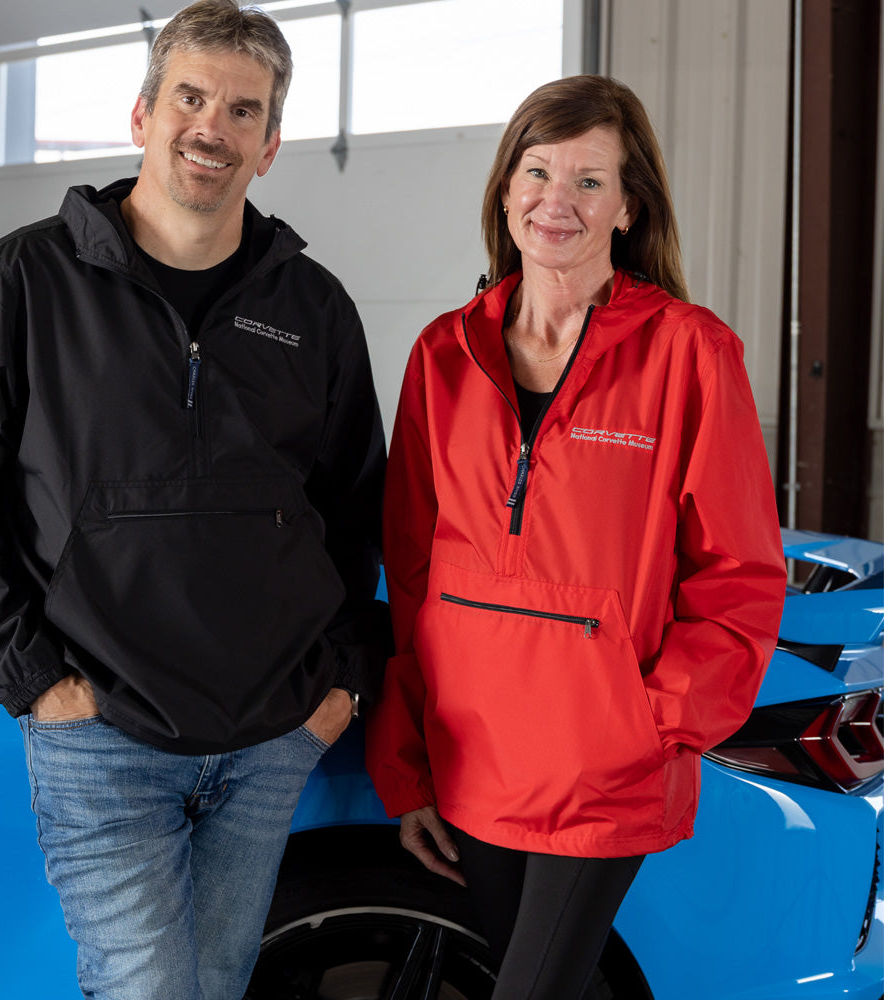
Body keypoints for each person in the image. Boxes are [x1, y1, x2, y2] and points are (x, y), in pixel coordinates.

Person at [0, 3, 389, 998]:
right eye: (191, 97)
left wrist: (339, 678)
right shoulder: (28, 279)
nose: (211, 127)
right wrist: (36, 677)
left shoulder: (315, 308)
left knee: (215, 982)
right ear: (142, 115)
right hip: (102, 737)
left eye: (241, 110)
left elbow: (355, 513)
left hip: (269, 736)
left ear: (268, 145)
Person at [365, 75, 786, 1000]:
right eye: (539, 170)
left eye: (591, 181)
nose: (558, 200)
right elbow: (413, 573)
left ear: (630, 208)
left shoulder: (690, 353)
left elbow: (740, 577)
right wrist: (408, 767)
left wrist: (650, 727)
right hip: (473, 760)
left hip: (604, 767)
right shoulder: (442, 353)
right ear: (506, 189)